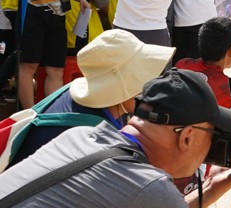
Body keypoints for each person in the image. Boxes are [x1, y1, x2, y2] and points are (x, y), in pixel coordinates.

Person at [0, 68, 231, 208]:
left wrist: (211, 187)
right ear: (187, 137)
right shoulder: (145, 188)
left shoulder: (81, 136)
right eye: (212, 137)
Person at [9, 29, 173, 166]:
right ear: (122, 86)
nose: (147, 88)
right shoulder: (96, 140)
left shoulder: (69, 91)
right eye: (142, 79)